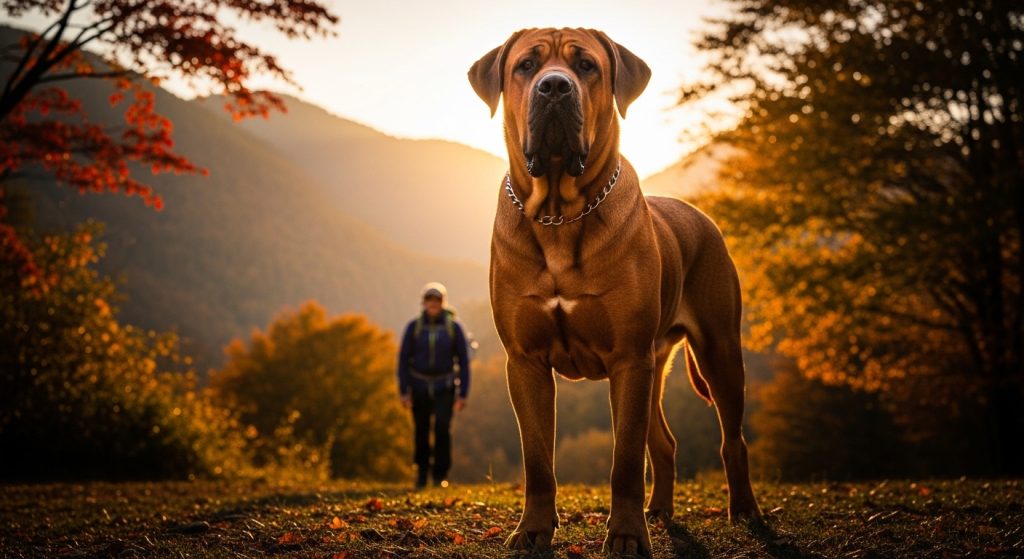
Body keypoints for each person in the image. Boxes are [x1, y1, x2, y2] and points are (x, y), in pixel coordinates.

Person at [397, 282, 470, 488]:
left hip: (445, 388)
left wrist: (463, 393)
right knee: (421, 430)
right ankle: (421, 474)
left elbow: (463, 362)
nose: (433, 303)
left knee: (442, 429)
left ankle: (440, 475)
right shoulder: (414, 327)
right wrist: (404, 390)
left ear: (443, 302)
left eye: (437, 300)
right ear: (424, 302)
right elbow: (403, 360)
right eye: (429, 299)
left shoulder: (454, 328)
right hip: (418, 387)